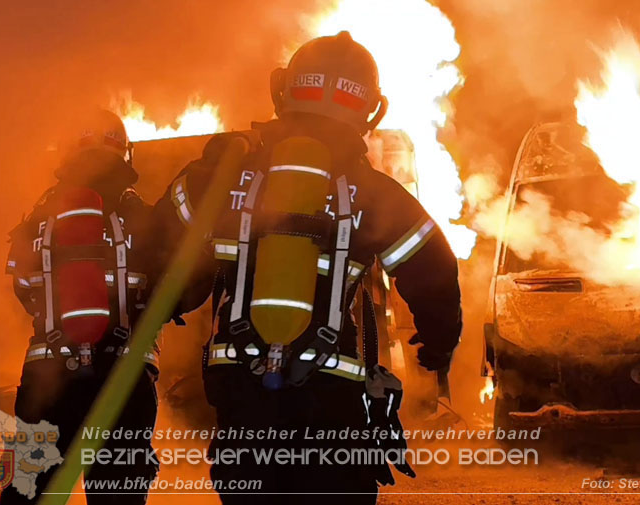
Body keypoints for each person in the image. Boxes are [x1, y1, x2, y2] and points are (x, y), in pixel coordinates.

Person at [154, 31, 462, 504]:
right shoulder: (372, 192)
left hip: (240, 385)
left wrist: (165, 304)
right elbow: (434, 269)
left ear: (283, 90)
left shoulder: (226, 176)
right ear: (371, 109)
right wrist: (437, 345)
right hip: (330, 389)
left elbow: (164, 248)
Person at [1, 110, 159, 504]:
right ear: (124, 153)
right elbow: (170, 281)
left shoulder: (41, 216)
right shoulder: (139, 214)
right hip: (122, 379)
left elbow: (23, 286)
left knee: (30, 491)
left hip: (49, 378)